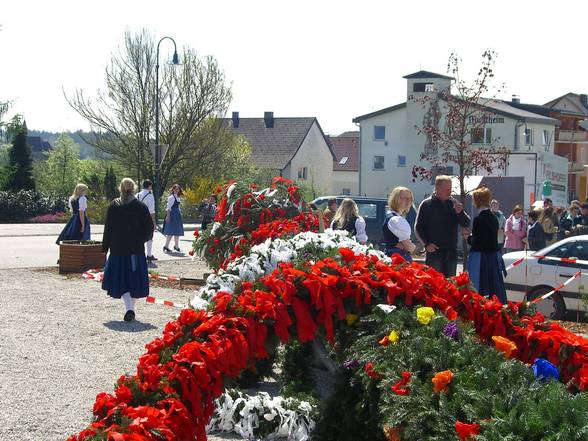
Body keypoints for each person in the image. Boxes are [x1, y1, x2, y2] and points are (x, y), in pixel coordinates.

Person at [101, 178, 153, 322]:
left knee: (121, 278)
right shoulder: (141, 207)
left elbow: (108, 228)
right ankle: (130, 308)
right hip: (135, 250)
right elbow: (149, 228)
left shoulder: (113, 206)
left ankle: (129, 308)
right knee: (134, 280)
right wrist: (140, 239)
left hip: (118, 249)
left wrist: (105, 247)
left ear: (120, 188)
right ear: (134, 188)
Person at [415, 175, 471, 277]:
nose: (449, 192)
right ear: (437, 188)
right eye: (446, 189)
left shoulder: (454, 204)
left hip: (451, 252)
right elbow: (418, 228)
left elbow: (466, 223)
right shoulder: (426, 204)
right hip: (434, 253)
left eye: (450, 189)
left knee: (450, 285)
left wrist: (460, 213)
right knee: (434, 284)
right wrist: (427, 244)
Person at [466, 187, 507, 304]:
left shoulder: (479, 219)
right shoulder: (494, 218)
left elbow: (477, 242)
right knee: (494, 286)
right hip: (493, 257)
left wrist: (468, 237)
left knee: (480, 286)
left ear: (476, 201)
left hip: (481, 258)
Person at [383, 187, 416, 262]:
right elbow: (409, 248)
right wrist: (412, 246)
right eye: (405, 198)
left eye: (410, 198)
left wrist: (405, 246)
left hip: (396, 256)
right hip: (399, 258)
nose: (409, 201)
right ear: (396, 199)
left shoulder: (394, 217)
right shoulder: (395, 219)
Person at [136, 179, 158, 262]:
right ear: (149, 186)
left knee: (139, 237)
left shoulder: (137, 195)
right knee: (149, 236)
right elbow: (152, 211)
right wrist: (154, 223)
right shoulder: (150, 195)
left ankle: (139, 254)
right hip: (147, 218)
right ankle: (149, 254)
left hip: (137, 218)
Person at [162, 184, 184, 253]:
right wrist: (168, 216)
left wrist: (180, 212)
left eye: (178, 189)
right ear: (173, 189)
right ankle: (166, 246)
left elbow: (178, 207)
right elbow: (168, 208)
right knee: (170, 231)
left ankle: (176, 246)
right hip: (172, 215)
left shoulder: (177, 197)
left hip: (177, 215)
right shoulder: (171, 197)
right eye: (175, 189)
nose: (177, 190)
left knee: (177, 231)